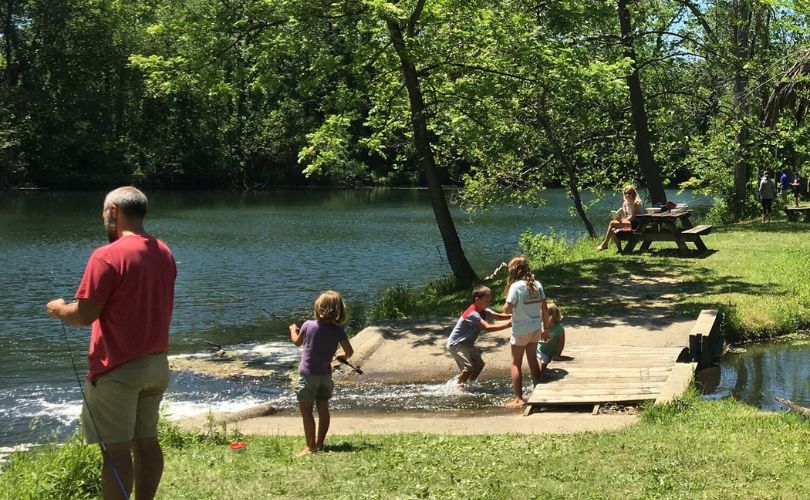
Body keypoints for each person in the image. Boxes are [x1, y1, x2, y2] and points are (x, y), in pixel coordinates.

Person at [46, 186, 176, 500]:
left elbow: (84, 316)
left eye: (105, 212)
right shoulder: (163, 251)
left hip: (118, 370)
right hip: (156, 365)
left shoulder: (106, 255)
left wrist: (58, 309)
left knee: (115, 451)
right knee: (146, 442)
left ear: (114, 211)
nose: (104, 218)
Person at [289, 290, 354, 457]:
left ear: (319, 309)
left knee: (306, 411)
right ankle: (320, 443)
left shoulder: (308, 325)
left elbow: (297, 342)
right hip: (325, 376)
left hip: (308, 375)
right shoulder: (338, 330)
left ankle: (310, 447)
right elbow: (349, 352)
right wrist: (341, 356)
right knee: (323, 408)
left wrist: (293, 329)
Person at [502, 256, 549, 408]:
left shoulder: (515, 287)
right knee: (532, 360)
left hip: (521, 329)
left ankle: (518, 398)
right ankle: (538, 390)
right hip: (536, 328)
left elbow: (507, 310)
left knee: (516, 362)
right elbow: (545, 309)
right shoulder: (537, 285)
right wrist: (546, 329)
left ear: (514, 271)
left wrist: (506, 305)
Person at [446, 285, 512, 386]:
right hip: (456, 344)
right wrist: (508, 325)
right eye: (487, 300)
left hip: (468, 344)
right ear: (477, 299)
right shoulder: (472, 314)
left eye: (490, 300)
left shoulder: (483, 311)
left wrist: (516, 315)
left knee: (479, 365)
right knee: (468, 368)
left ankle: (469, 384)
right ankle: (458, 388)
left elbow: (499, 316)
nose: (489, 302)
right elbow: (487, 327)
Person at [595, 185, 643, 252]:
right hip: (629, 222)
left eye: (629, 193)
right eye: (625, 193)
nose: (627, 195)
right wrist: (618, 218)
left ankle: (605, 244)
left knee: (612, 223)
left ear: (633, 194)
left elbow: (632, 217)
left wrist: (622, 220)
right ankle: (619, 250)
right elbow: (625, 216)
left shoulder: (636, 203)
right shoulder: (625, 203)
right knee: (613, 229)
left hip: (637, 224)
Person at [537, 302, 565, 375]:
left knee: (545, 362)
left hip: (551, 352)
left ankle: (540, 375)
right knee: (543, 362)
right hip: (540, 351)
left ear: (550, 317)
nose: (540, 317)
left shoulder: (559, 329)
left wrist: (557, 354)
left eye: (542, 315)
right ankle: (538, 376)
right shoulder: (541, 326)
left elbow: (561, 343)